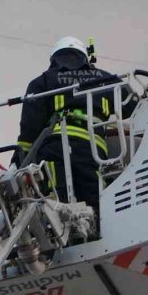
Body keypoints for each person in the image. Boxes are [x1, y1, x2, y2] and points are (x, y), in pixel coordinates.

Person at [17, 36, 125, 212]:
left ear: (53, 59)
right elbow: (135, 106)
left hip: (55, 148)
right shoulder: (106, 79)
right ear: (85, 57)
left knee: (57, 203)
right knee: (95, 201)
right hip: (93, 150)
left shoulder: (43, 81)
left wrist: (20, 162)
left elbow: (29, 129)